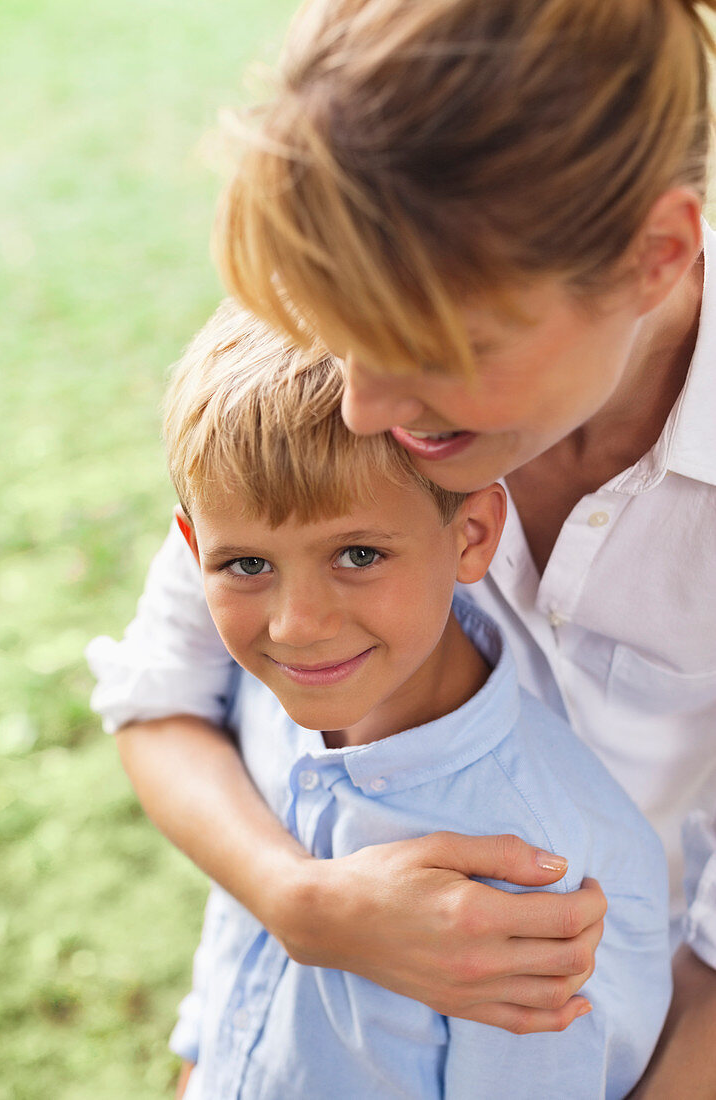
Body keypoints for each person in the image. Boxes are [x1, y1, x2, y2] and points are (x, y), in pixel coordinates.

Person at [88, 0, 716, 1093]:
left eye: (432, 350)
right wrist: (300, 903)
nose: (364, 403)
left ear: (653, 257)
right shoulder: (368, 316)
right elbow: (163, 689)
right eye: (340, 333)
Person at [152, 299, 670, 1099]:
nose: (296, 627)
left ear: (471, 536)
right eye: (247, 565)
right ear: (194, 554)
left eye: (357, 554)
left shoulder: (535, 874)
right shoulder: (275, 703)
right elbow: (239, 948)